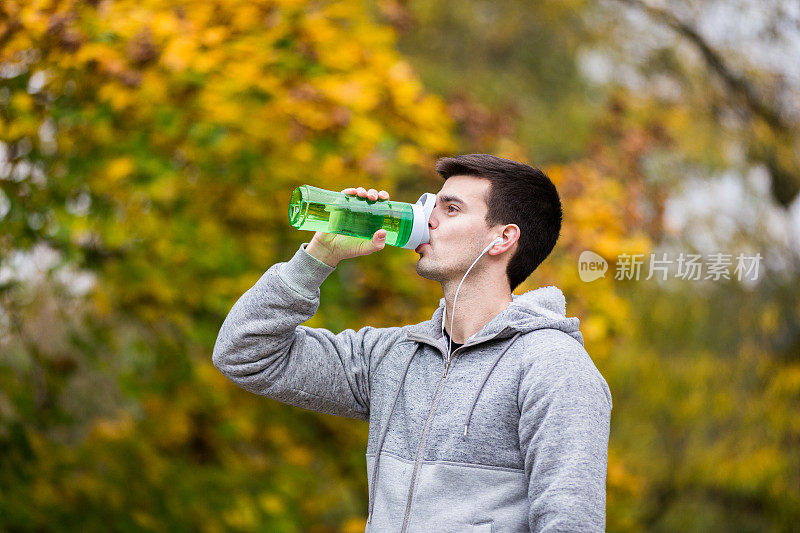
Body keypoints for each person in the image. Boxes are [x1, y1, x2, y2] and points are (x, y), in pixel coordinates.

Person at [213, 154, 612, 532]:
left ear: (503, 238)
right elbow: (244, 355)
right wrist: (320, 255)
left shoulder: (554, 368)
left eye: (451, 209)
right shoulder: (393, 356)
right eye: (431, 205)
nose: (428, 219)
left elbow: (570, 522)